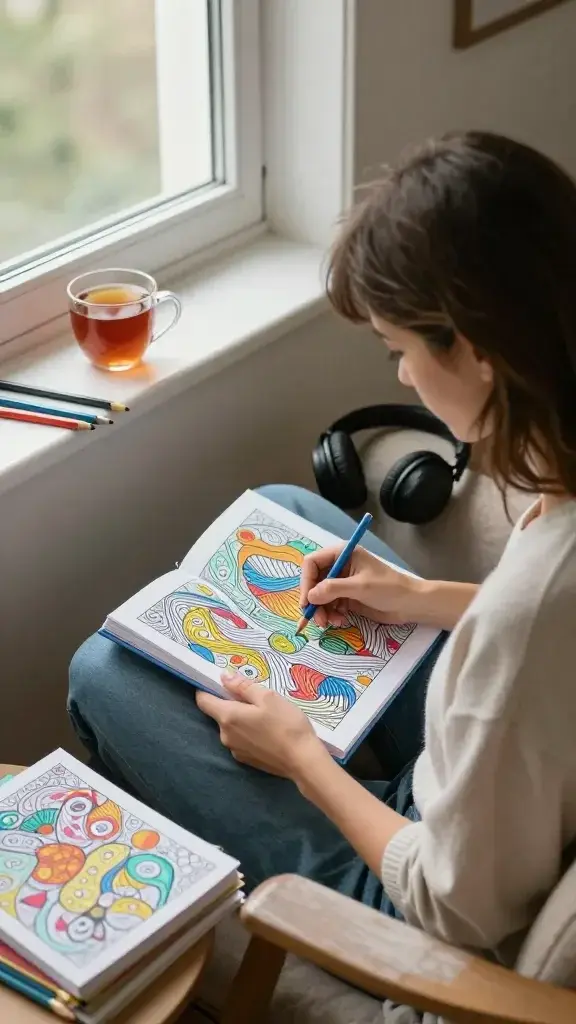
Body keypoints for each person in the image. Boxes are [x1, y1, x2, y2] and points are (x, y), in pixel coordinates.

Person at [68, 131, 576, 965]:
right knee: (284, 509)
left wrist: (302, 758)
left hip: (426, 902)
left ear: (478, 351)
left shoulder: (525, 620)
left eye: (401, 352)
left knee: (105, 673)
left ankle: (321, 789)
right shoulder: (557, 480)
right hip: (503, 780)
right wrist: (423, 599)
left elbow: (451, 909)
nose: (404, 380)